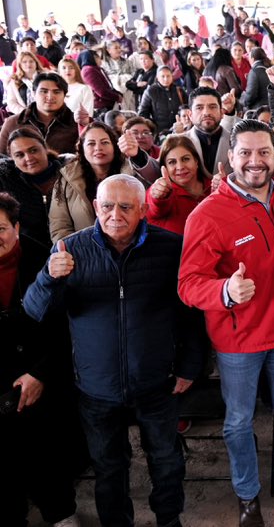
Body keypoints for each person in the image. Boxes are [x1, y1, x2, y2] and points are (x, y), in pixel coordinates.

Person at [24, 175, 205, 527]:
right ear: (95, 208)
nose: (115, 215)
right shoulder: (69, 250)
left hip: (156, 383)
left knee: (167, 461)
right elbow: (36, 311)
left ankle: (169, 520)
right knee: (108, 466)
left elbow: (191, 314)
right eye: (107, 206)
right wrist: (48, 276)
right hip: (96, 388)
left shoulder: (170, 248)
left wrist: (189, 365)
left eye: (125, 207)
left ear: (142, 209)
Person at [178, 120, 274, 526]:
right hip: (238, 341)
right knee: (239, 422)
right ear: (230, 158)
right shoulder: (207, 214)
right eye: (245, 152)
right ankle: (248, 495)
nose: (255, 161)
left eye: (263, 151)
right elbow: (188, 284)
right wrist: (225, 291)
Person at [0, 191, 81, 527]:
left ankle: (60, 511)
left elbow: (68, 325)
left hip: (43, 372)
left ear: (16, 227)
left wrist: (40, 374)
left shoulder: (44, 260)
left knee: (48, 452)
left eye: (1, 228)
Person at [49, 122, 137, 242]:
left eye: (105, 142)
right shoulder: (66, 178)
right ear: (82, 148)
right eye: (91, 143)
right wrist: (75, 252)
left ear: (114, 146)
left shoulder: (132, 172)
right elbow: (60, 226)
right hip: (82, 252)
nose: (98, 148)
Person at [0, 72, 79, 156]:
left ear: (64, 95)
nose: (50, 96)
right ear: (34, 94)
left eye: (56, 92)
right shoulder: (13, 122)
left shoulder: (76, 122)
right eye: (44, 91)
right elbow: (1, 157)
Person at [145, 136, 211, 235]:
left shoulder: (215, 186)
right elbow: (156, 205)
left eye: (185, 159)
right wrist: (157, 195)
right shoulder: (162, 192)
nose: (180, 167)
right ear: (165, 167)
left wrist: (224, 189)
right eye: (172, 162)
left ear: (196, 161)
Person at [180, 86, 238, 177]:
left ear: (222, 113)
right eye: (199, 108)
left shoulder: (237, 142)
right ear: (190, 115)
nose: (206, 112)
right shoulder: (178, 142)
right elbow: (156, 169)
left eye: (212, 107)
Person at [2, 51, 41, 116]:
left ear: (36, 63)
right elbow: (11, 102)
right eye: (24, 62)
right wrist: (25, 112)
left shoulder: (46, 77)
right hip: (24, 116)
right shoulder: (14, 81)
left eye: (31, 61)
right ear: (20, 65)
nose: (28, 64)